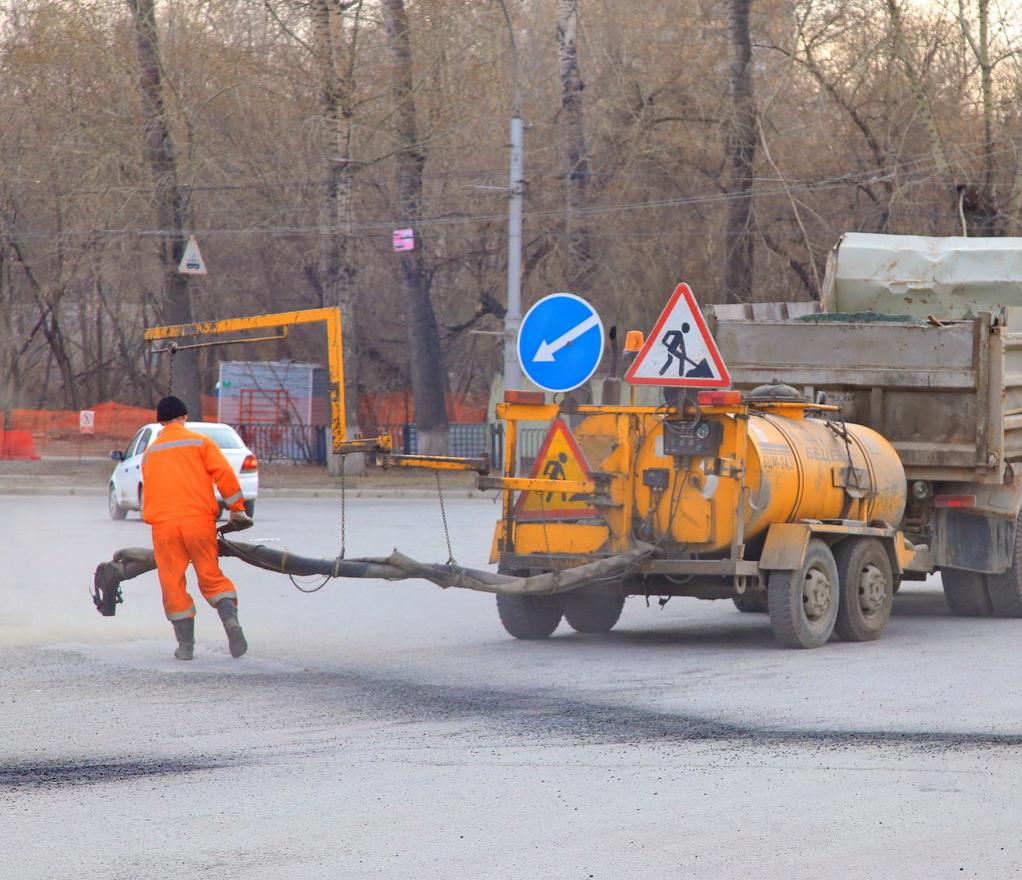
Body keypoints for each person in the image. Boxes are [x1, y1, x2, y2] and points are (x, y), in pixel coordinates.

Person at [141, 395, 253, 660]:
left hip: (164, 526)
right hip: (198, 521)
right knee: (211, 576)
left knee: (172, 583)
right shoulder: (200, 442)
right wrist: (237, 510)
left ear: (161, 422)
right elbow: (224, 474)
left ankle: (185, 646)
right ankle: (231, 623)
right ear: (183, 417)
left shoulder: (150, 453)